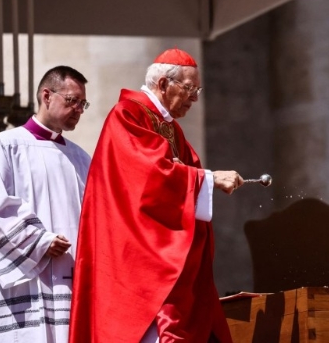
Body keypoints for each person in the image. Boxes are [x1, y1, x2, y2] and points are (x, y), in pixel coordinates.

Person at [69, 49, 244, 343]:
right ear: (163, 85)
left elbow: (182, 174)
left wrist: (204, 180)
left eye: (197, 89)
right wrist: (209, 179)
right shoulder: (127, 115)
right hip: (135, 260)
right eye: (190, 88)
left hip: (162, 257)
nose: (195, 98)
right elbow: (147, 178)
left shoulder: (172, 128)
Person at [0, 66, 91, 342]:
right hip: (23, 284)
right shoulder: (4, 145)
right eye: (72, 101)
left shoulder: (81, 158)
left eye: (82, 104)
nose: (78, 109)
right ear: (46, 95)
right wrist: (40, 241)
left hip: (68, 283)